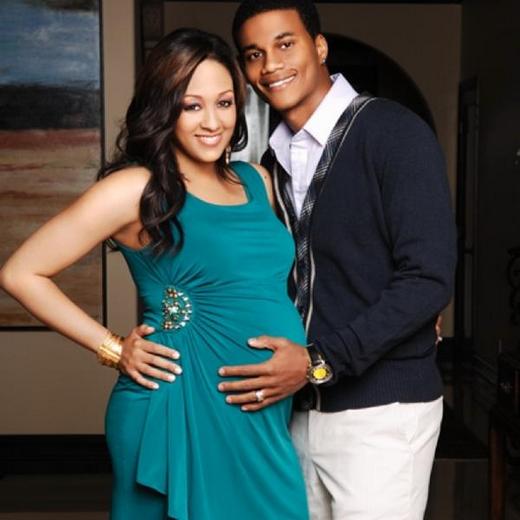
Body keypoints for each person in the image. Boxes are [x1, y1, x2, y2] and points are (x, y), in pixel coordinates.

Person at [0, 28, 309, 520]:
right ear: (164, 109)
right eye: (192, 106)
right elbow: (21, 272)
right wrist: (113, 348)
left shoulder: (258, 181)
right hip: (174, 406)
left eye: (225, 103)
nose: (213, 122)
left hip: (263, 413)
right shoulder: (135, 189)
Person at [218, 1, 458, 519]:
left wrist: (317, 361)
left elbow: (428, 279)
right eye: (254, 54)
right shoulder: (270, 164)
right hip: (296, 412)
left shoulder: (394, 133)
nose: (271, 65)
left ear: (320, 46)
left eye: (285, 44)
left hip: (383, 413)